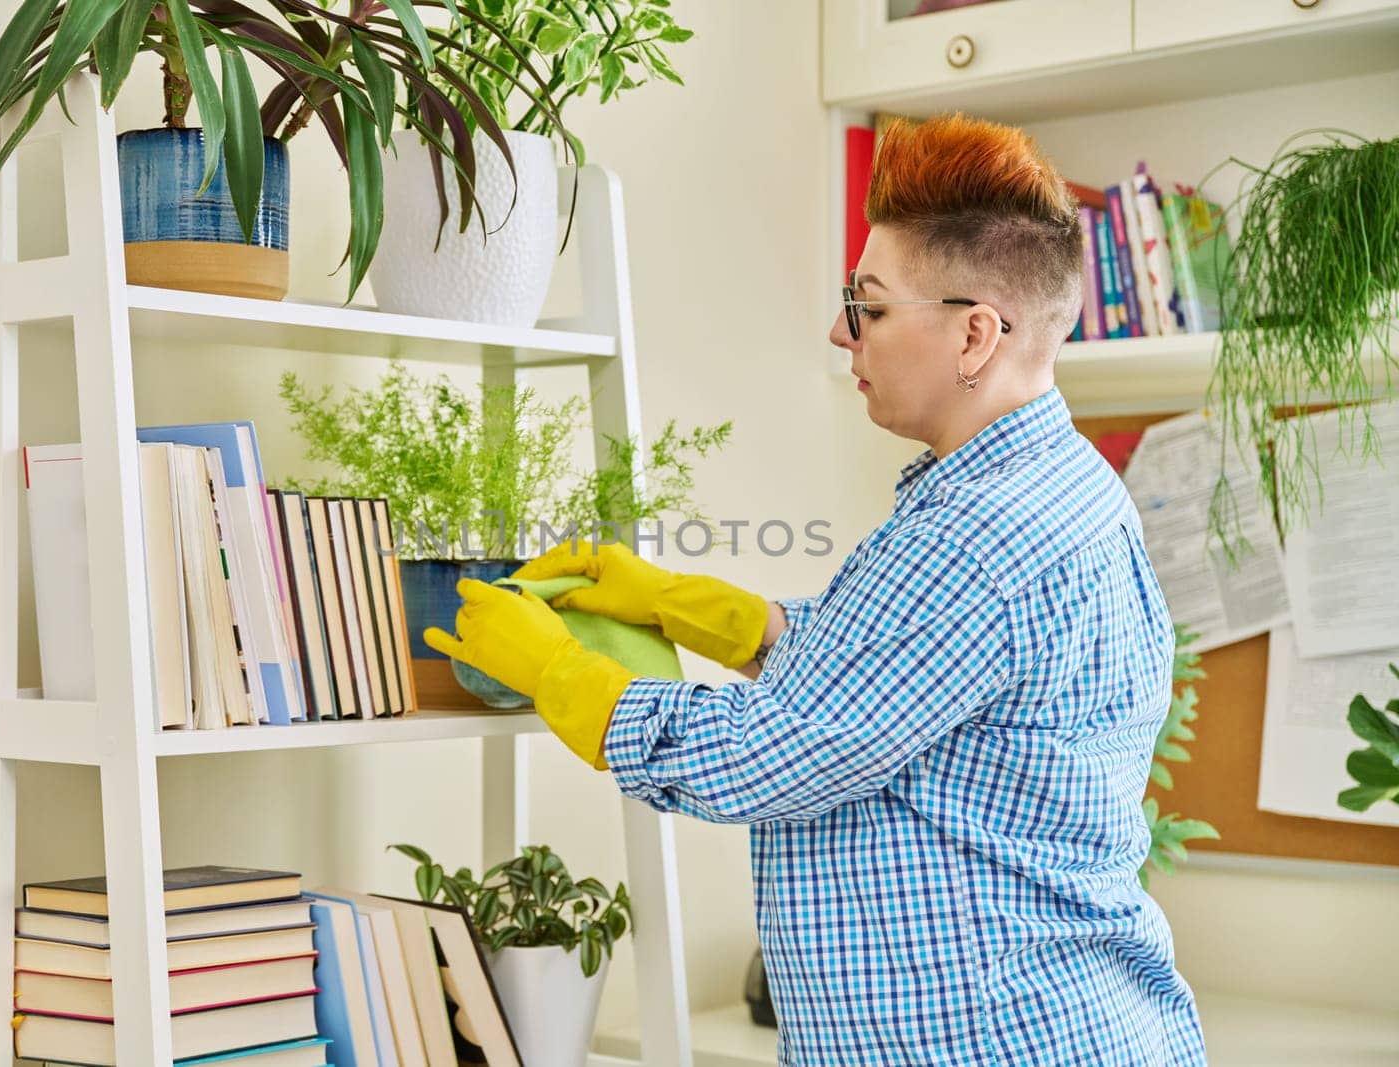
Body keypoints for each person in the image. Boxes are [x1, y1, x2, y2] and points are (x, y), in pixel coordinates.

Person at [424, 112, 1207, 1065]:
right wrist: (697, 610)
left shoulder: (978, 534)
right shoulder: (1054, 486)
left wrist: (563, 675)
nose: (840, 330)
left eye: (868, 305)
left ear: (974, 336)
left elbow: (770, 757)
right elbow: (893, 677)